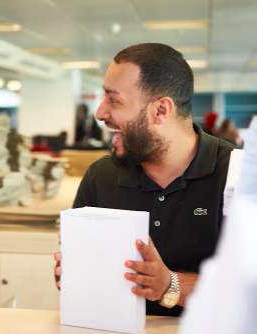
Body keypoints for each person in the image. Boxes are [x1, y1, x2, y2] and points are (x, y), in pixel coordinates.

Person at [54, 43, 236, 316]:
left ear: (161, 110)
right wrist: (74, 275)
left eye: (113, 100)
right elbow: (79, 274)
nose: (100, 113)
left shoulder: (240, 175)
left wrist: (170, 284)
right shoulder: (100, 175)